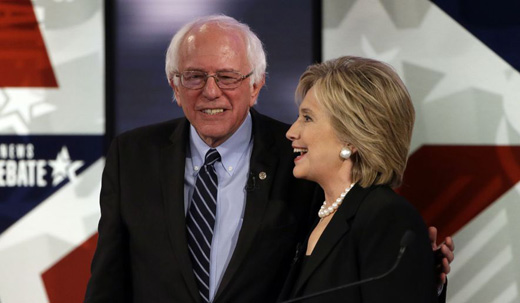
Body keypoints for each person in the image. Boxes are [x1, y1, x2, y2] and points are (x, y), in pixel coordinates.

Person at [84, 15, 453, 303]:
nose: (210, 91)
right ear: (173, 85)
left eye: (227, 77)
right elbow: (108, 283)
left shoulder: (301, 167)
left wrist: (419, 276)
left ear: (257, 85)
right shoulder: (132, 156)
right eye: (194, 77)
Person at [281, 56, 444, 303]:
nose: (291, 132)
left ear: (351, 135)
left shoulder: (386, 217)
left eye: (307, 118)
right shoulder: (315, 215)